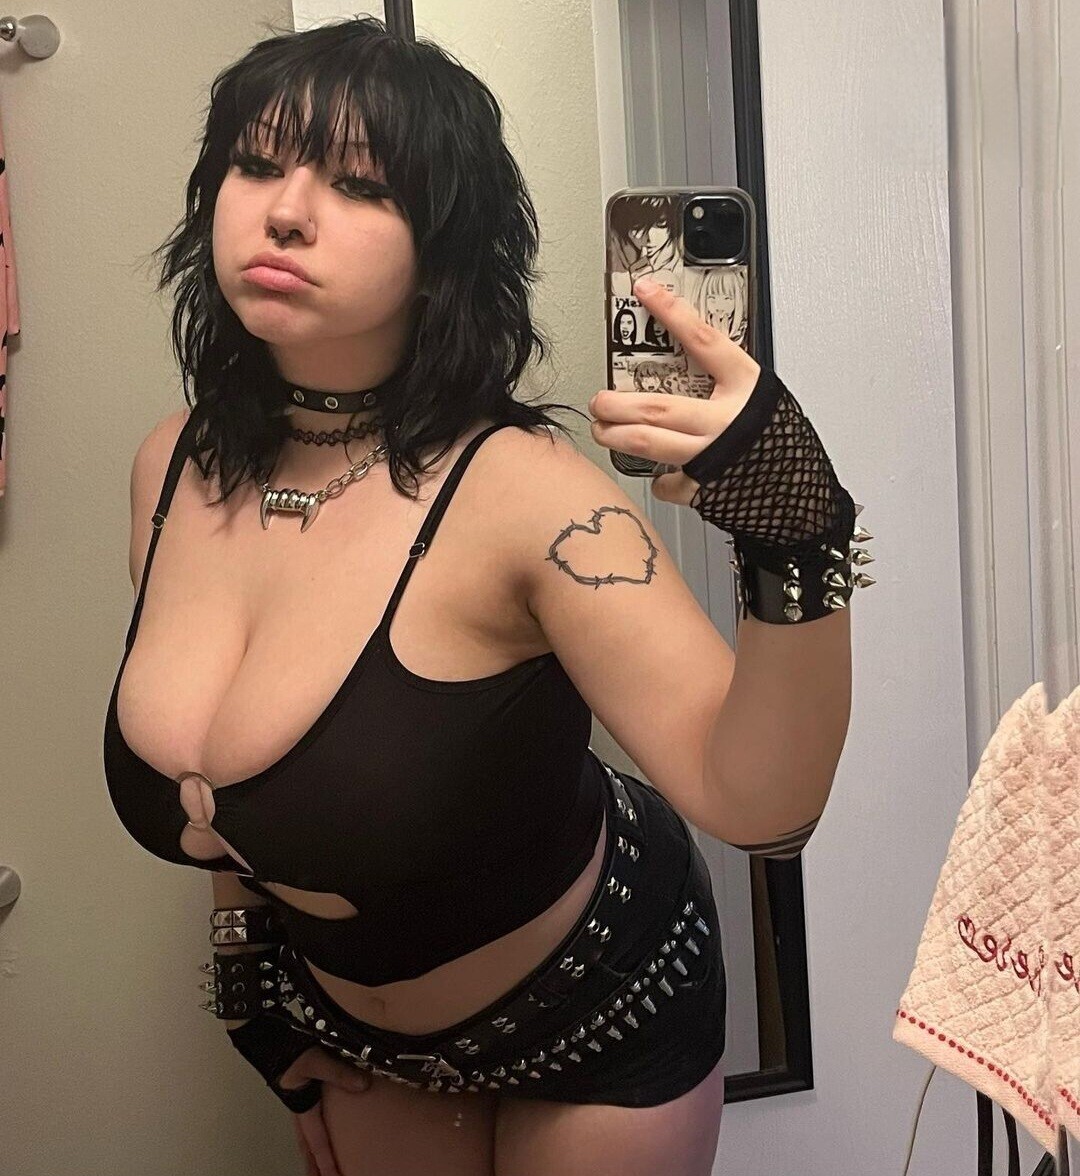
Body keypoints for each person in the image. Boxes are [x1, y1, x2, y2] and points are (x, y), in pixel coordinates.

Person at [102, 16, 868, 1176]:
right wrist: (254, 996)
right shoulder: (171, 470)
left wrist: (799, 533)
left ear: (444, 246)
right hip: (355, 1036)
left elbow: (764, 807)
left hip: (601, 1003)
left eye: (360, 185)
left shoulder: (524, 495)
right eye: (256, 165)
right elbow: (236, 789)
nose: (286, 211)